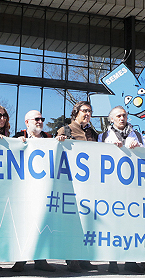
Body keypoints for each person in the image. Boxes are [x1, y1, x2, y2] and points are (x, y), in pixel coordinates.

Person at [97, 106, 143, 274]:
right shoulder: (102, 137)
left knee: (132, 224)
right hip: (112, 186)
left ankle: (131, 260)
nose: (122, 118)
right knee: (113, 224)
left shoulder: (138, 135)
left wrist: (138, 147)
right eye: (118, 116)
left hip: (133, 186)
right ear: (111, 119)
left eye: (124, 115)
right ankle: (113, 261)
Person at [10, 110, 57, 273]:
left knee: (42, 221)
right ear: (27, 122)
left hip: (45, 186)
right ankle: (20, 259)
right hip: (23, 186)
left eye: (42, 119)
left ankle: (40, 259)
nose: (40, 121)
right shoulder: (19, 136)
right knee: (23, 221)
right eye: (36, 119)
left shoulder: (50, 138)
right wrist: (16, 142)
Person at [56, 101, 98, 272]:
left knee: (88, 221)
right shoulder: (65, 130)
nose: (88, 114)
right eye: (85, 111)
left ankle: (84, 257)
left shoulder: (93, 132)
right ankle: (72, 258)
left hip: (90, 183)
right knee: (73, 222)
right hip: (70, 183)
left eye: (90, 111)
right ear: (76, 112)